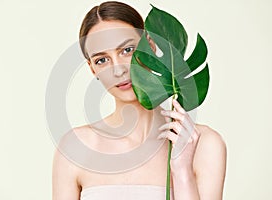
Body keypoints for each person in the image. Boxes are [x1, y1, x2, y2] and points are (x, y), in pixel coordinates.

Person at [52, 1, 227, 200]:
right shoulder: (75, 147)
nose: (118, 70)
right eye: (102, 60)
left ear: (150, 46)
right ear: (93, 69)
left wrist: (182, 172)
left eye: (127, 50)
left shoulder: (204, 144)